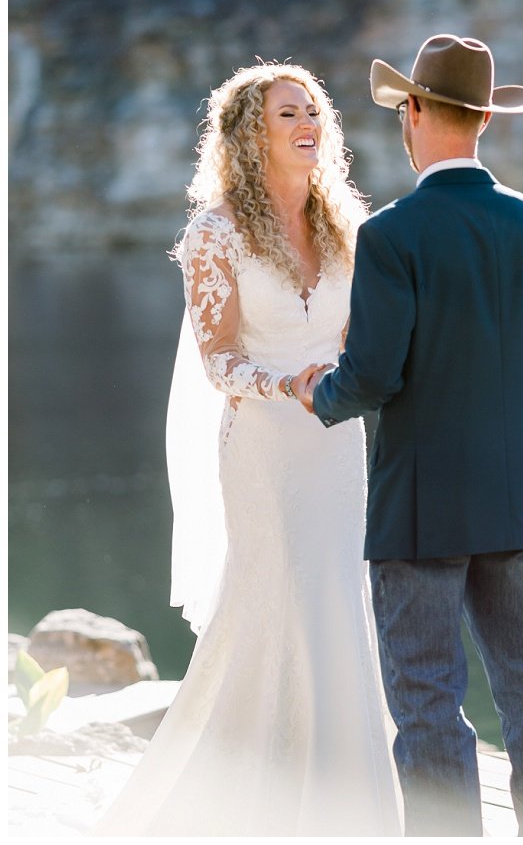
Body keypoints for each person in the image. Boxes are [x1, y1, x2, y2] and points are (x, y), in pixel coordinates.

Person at [299, 33, 523, 837]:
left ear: (418, 114)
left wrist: (313, 393)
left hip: (422, 505)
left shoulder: (393, 235)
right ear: (485, 121)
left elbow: (373, 377)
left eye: (404, 109)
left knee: (428, 694)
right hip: (519, 497)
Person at [97, 63, 398, 835]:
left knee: (337, 600)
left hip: (338, 448)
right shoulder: (215, 232)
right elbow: (218, 360)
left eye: (314, 113)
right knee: (284, 601)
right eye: (288, 113)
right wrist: (289, 386)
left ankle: (347, 801)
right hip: (265, 446)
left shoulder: (347, 225)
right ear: (249, 135)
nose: (308, 125)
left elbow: (369, 335)